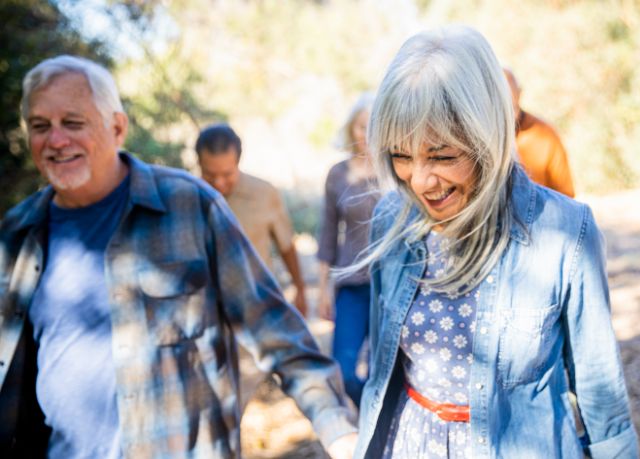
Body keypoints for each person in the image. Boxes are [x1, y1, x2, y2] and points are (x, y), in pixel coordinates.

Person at [0, 55, 356, 458]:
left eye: (73, 122)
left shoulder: (190, 206)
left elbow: (277, 332)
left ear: (117, 127)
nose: (56, 140)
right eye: (40, 126)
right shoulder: (17, 233)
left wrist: (338, 430)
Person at [351, 27, 638, 458]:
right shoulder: (390, 222)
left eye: (442, 156)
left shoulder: (565, 231)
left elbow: (601, 393)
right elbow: (383, 373)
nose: (420, 181)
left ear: (487, 136)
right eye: (401, 155)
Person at [195, 124, 308, 316]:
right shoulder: (187, 197)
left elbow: (286, 245)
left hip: (257, 303)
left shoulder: (264, 193)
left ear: (238, 162)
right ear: (199, 163)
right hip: (207, 306)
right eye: (210, 175)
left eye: (227, 174)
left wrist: (300, 289)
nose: (219, 183)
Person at [316, 93, 380, 407]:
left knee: (383, 371)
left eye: (373, 126)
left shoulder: (395, 170)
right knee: (343, 369)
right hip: (350, 286)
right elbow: (328, 234)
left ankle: (374, 435)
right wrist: (323, 290)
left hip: (388, 285)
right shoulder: (337, 174)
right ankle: (363, 414)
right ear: (351, 129)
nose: (366, 134)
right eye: (360, 126)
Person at [504, 68, 576, 198]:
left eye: (512, 108)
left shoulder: (545, 135)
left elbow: (565, 194)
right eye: (502, 109)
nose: (508, 117)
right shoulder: (477, 138)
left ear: (519, 93)